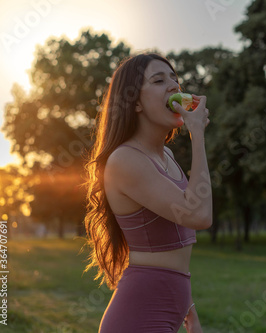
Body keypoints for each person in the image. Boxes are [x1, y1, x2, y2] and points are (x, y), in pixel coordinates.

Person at [83, 52, 212, 333]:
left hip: (170, 308)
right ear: (136, 103)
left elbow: (173, 246)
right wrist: (197, 135)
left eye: (175, 79)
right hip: (138, 317)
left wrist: (189, 309)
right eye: (159, 80)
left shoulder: (165, 155)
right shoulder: (125, 160)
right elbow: (199, 215)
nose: (174, 86)